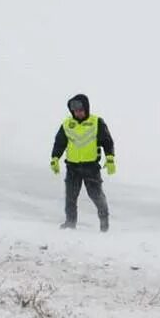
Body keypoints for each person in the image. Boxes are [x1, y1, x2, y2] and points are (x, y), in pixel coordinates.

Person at [50, 94, 116, 231]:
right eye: (75, 111)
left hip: (91, 167)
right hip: (72, 167)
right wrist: (55, 158)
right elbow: (59, 143)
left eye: (80, 110)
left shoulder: (96, 122)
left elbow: (107, 142)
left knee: (96, 196)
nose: (78, 113)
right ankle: (70, 222)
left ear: (86, 108)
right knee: (70, 197)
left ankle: (104, 224)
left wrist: (110, 158)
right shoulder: (67, 124)